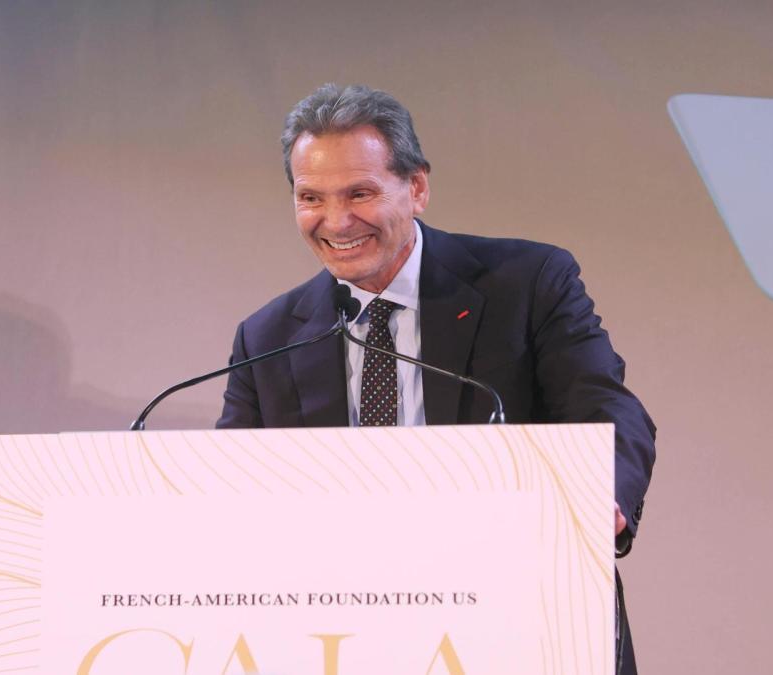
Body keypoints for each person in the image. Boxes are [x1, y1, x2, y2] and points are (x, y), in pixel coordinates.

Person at [216, 83, 655, 674]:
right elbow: (227, 491)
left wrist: (601, 494)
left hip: (518, 612)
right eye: (310, 197)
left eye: (360, 193)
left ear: (417, 188)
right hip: (343, 636)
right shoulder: (267, 338)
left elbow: (606, 405)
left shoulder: (526, 283)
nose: (336, 221)